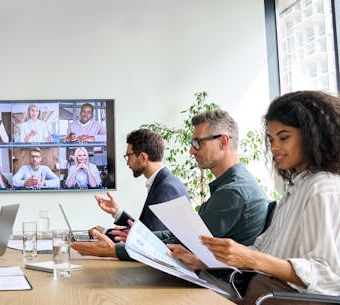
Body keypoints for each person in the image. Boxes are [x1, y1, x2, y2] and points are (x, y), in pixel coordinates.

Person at [169, 91, 340, 305]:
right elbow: (261, 250)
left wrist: (249, 258)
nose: (275, 147)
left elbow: (326, 274)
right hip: (261, 294)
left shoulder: (322, 188)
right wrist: (203, 260)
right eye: (271, 139)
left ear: (312, 135)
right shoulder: (296, 186)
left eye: (284, 137)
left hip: (279, 299)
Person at [72, 110, 268, 262]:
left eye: (197, 143)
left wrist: (116, 249)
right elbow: (182, 236)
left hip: (215, 287)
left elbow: (191, 242)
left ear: (224, 141)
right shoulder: (229, 186)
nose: (191, 150)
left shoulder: (233, 192)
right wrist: (127, 234)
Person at [71, 128, 188, 260]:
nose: (127, 162)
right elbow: (147, 232)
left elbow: (150, 242)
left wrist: (106, 234)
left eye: (129, 156)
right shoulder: (163, 182)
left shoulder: (167, 188)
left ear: (143, 157)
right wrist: (117, 212)